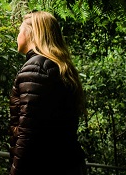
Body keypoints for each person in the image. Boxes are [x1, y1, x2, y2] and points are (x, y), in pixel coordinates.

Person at [9, 11, 87, 175]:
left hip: (43, 165)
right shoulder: (58, 66)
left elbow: (27, 132)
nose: (17, 36)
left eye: (19, 31)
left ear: (31, 33)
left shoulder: (35, 68)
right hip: (66, 162)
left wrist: (16, 171)